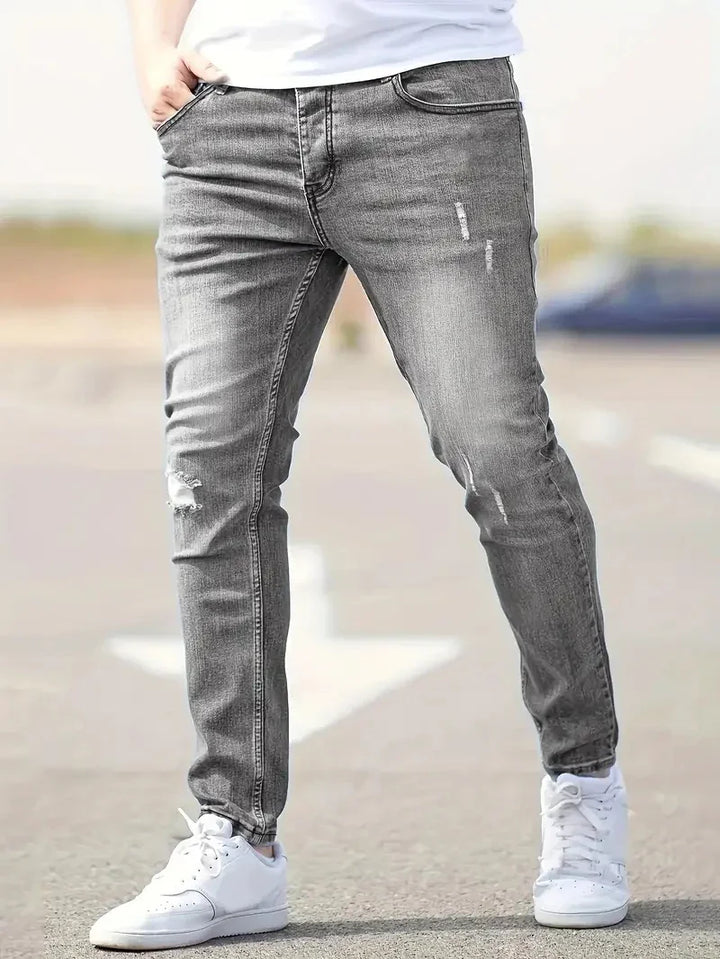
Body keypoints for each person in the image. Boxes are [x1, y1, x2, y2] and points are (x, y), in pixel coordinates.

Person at [90, 0, 629, 949]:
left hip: (432, 107)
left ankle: (583, 780)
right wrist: (149, 48)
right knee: (210, 472)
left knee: (497, 449)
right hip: (228, 123)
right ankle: (236, 833)